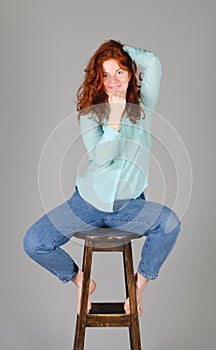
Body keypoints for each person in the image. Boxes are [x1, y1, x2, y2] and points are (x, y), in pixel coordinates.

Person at [23, 39, 181, 316]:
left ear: (131, 73)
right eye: (106, 74)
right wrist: (115, 119)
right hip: (86, 202)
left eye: (120, 72)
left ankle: (138, 287)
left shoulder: (144, 104)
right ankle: (81, 282)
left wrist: (118, 49)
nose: (114, 80)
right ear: (99, 79)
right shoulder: (91, 115)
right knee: (34, 242)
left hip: (129, 206)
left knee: (169, 224)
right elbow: (102, 157)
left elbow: (153, 62)